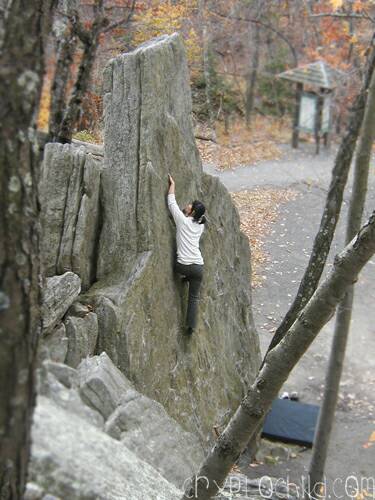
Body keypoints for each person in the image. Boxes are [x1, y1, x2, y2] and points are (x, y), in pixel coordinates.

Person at [167, 174, 206, 335]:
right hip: (198, 268)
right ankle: (190, 326)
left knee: (180, 267)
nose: (188, 205)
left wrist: (173, 184)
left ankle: (186, 277)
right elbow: (202, 218)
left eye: (190, 205)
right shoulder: (200, 226)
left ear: (192, 211)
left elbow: (171, 202)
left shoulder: (182, 221)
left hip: (182, 266)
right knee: (194, 298)